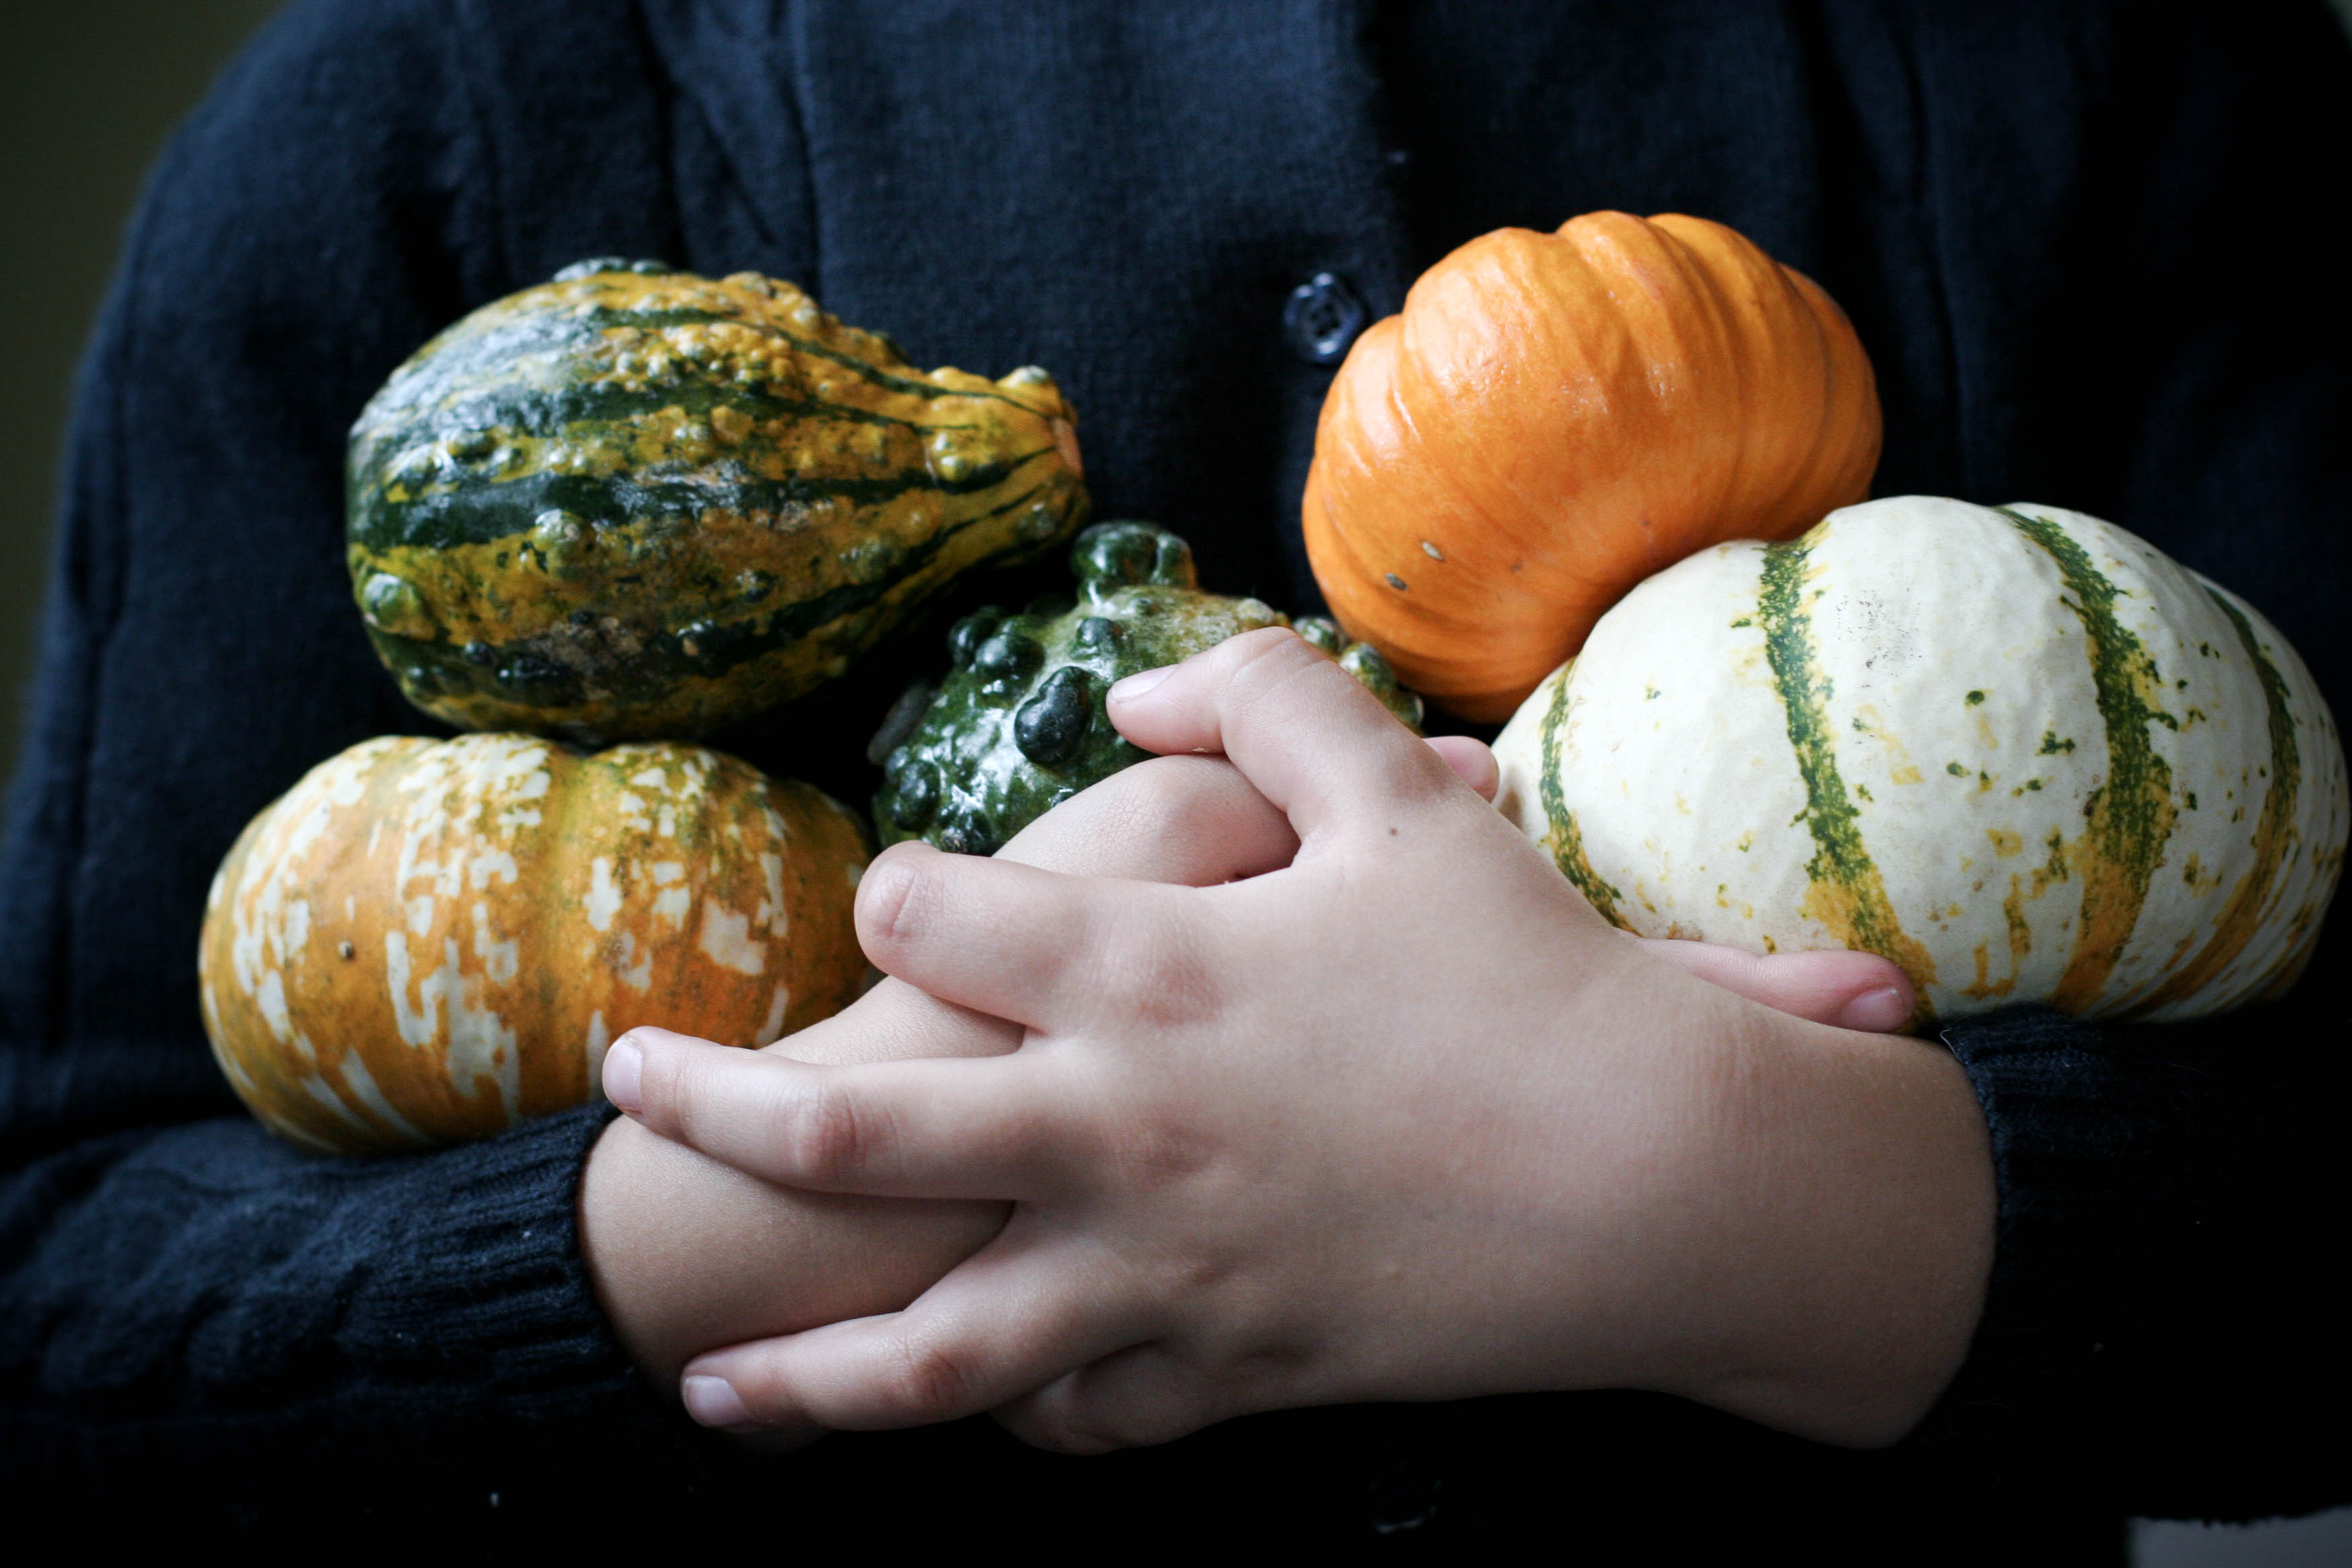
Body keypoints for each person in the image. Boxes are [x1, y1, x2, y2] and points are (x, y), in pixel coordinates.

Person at [1, 0, 2345, 1555]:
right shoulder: (411, 113)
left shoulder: (2116, 63)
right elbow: (66, 1311)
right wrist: (817, 1189)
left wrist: (1724, 1190)